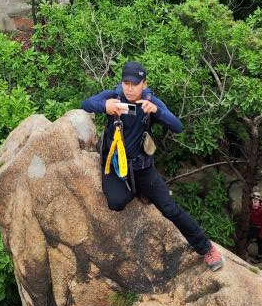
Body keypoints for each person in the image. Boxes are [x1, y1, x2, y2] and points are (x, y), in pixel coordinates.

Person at [82, 61, 224, 271]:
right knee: (116, 203)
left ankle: (206, 248)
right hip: (116, 165)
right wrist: (105, 106)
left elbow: (177, 126)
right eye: (126, 83)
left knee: (169, 208)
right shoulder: (114, 96)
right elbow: (86, 104)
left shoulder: (150, 102)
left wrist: (157, 111)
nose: (130, 88)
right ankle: (135, 191)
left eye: (135, 84)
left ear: (144, 84)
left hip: (142, 169)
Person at [247, 191, 262, 259]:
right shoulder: (251, 206)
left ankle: (259, 256)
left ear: (259, 201)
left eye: (257, 199)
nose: (255, 200)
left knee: (259, 243)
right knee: (247, 238)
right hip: (252, 226)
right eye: (254, 199)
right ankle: (245, 251)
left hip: (259, 228)